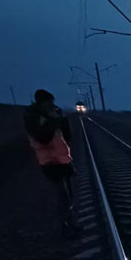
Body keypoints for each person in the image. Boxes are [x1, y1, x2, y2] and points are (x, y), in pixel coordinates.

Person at [24, 89, 77, 237]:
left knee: (69, 196)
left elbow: (66, 135)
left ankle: (69, 225)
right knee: (63, 196)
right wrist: (54, 121)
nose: (52, 105)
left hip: (62, 160)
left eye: (53, 103)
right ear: (42, 103)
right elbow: (43, 138)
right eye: (49, 103)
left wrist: (63, 120)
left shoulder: (53, 114)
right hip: (49, 162)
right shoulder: (32, 117)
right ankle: (62, 228)